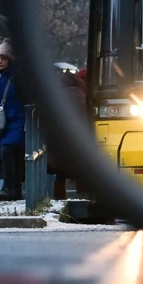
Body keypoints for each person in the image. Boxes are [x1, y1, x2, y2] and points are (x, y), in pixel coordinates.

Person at [0, 40, 26, 200]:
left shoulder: (17, 77)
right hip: (2, 123)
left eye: (3, 58)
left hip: (17, 120)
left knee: (7, 150)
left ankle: (10, 187)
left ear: (10, 59)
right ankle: (15, 189)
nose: (0, 61)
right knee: (10, 154)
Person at [47, 66, 87, 200]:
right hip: (78, 138)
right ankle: (83, 198)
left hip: (61, 138)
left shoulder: (58, 95)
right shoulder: (81, 94)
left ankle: (59, 197)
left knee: (60, 173)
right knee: (82, 169)